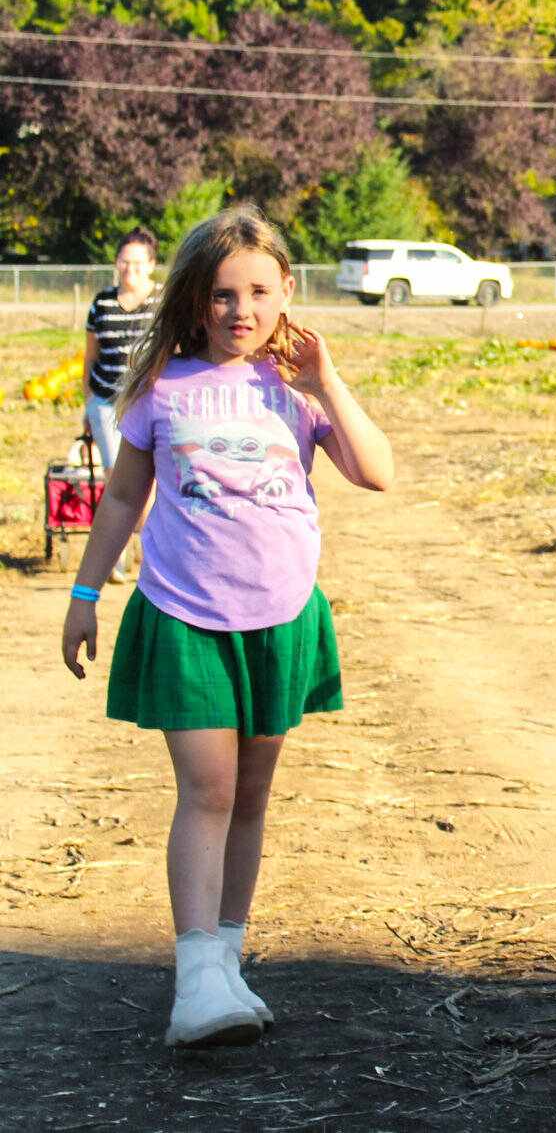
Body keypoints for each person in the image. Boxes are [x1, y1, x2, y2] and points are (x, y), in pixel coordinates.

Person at [59, 207, 394, 1049]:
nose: (239, 309)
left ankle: (228, 960)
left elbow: (376, 473)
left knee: (250, 797)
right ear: (194, 302)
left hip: (280, 617)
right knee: (206, 790)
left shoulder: (297, 387)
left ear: (288, 290)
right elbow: (127, 496)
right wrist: (86, 591)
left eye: (256, 290)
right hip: (186, 614)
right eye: (219, 294)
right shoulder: (164, 384)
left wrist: (327, 383)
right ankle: (195, 978)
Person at [84, 227, 162, 579]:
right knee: (117, 477)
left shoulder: (164, 302)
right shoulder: (101, 303)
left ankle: (153, 554)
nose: (130, 269)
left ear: (151, 265)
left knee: (150, 480)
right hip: (105, 402)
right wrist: (86, 404)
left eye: (138, 262)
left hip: (148, 404)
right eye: (124, 262)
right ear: (116, 263)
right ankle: (114, 558)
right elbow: (90, 358)